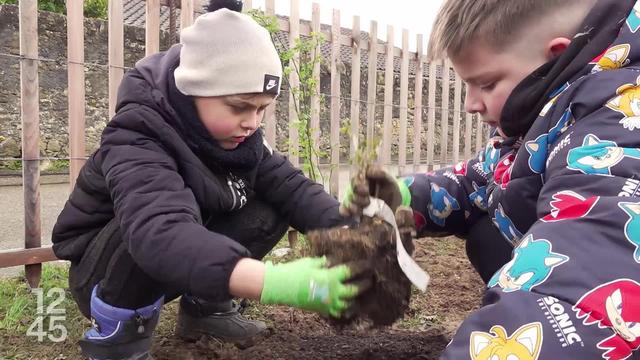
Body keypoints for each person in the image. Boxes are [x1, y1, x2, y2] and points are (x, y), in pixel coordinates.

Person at [51, 4, 369, 360]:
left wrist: (356, 234)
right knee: (150, 227)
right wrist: (276, 282)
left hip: (178, 247)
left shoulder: (240, 138)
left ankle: (207, 310)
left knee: (271, 206)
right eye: (240, 107)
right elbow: (160, 234)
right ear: (195, 90)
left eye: (262, 108)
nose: (252, 122)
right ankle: (119, 339)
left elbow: (291, 187)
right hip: (104, 271)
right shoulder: (138, 134)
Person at [344, 0, 640, 357]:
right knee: (488, 232)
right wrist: (399, 199)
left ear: (555, 56)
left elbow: (591, 267)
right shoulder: (535, 114)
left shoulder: (623, 118)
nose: (470, 103)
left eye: (485, 84)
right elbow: (476, 184)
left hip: (618, 287)